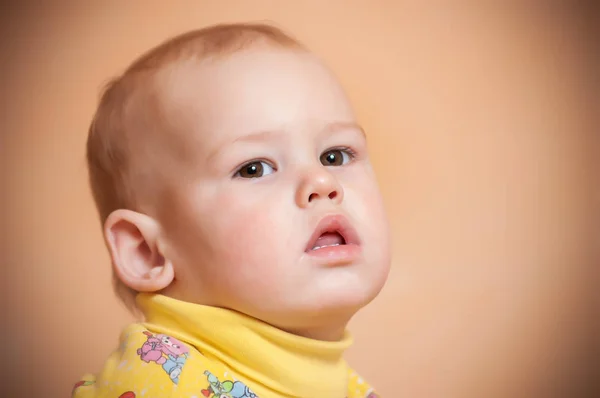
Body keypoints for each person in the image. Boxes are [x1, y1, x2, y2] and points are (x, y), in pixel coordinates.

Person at [74, 22, 390, 398]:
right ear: (147, 251)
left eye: (334, 156)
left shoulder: (346, 389)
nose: (322, 182)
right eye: (254, 168)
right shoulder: (162, 387)